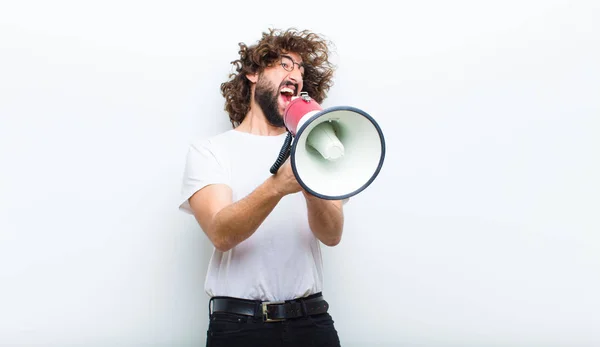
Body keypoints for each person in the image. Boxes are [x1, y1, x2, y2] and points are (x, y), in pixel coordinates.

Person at [179, 27, 344, 347]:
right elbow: (221, 234)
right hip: (240, 326)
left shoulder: (318, 148)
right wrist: (278, 186)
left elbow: (332, 235)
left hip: (311, 320)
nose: (296, 73)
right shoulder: (211, 151)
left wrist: (310, 178)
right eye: (285, 64)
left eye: (301, 70)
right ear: (253, 72)